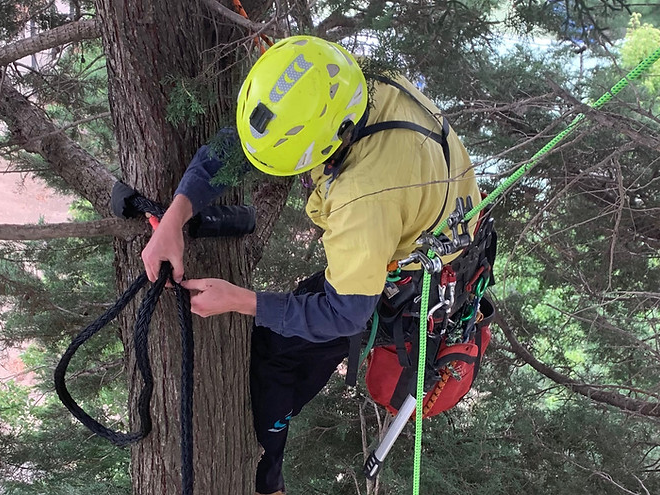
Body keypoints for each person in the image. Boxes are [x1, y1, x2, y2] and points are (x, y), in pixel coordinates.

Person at [140, 35, 482, 495]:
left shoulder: (362, 199)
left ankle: (268, 476)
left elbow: (344, 312)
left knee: (277, 349)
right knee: (298, 337)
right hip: (438, 236)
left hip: (413, 279)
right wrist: (175, 217)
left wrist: (240, 300)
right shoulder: (340, 81)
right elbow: (246, 142)